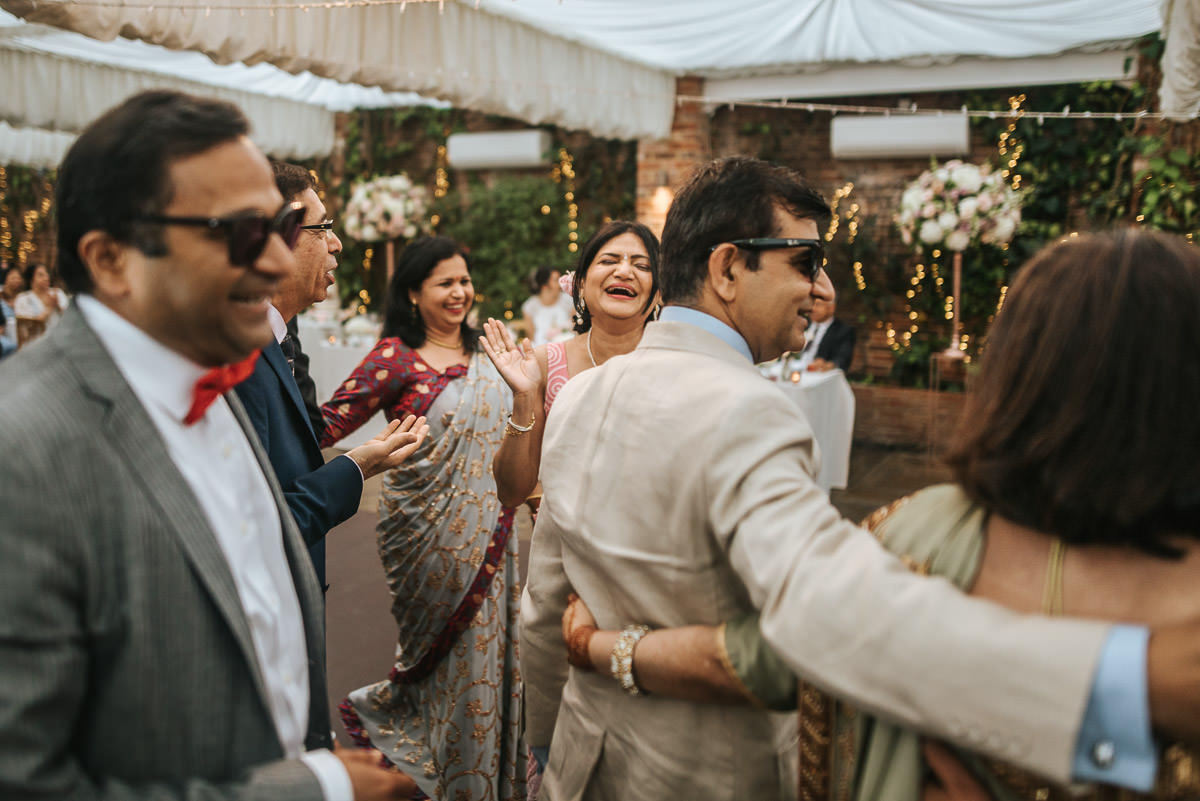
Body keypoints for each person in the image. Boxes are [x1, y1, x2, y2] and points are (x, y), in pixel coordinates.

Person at [520, 156, 1200, 801]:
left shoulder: (582, 393)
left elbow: (544, 605)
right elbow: (832, 607)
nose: (819, 288)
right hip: (707, 777)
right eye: (805, 261)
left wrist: (549, 741)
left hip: (583, 760)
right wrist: (1121, 681)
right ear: (727, 268)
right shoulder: (747, 409)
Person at [0, 89, 415, 800]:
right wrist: (312, 788)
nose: (276, 260)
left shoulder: (215, 371)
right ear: (112, 259)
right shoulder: (25, 448)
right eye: (240, 231)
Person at [322, 236, 525, 801]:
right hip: (423, 537)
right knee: (443, 656)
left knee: (488, 656)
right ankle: (441, 766)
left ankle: (476, 775)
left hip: (493, 532)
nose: (460, 292)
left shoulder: (490, 354)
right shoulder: (395, 357)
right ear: (413, 293)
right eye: (445, 283)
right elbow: (323, 427)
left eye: (465, 280)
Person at [234, 161, 429, 588]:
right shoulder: (237, 359)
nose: (336, 244)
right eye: (322, 229)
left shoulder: (280, 336)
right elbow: (258, 526)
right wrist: (356, 466)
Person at [481, 220, 660, 511]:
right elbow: (511, 494)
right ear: (581, 284)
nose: (624, 271)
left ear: (659, 292)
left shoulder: (675, 365)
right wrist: (523, 399)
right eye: (609, 261)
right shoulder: (545, 363)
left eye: (642, 266)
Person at [794, 288, 854, 371]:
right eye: (812, 304)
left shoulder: (843, 331)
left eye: (818, 305)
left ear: (831, 308)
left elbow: (843, 359)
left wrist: (829, 365)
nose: (813, 309)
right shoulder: (803, 324)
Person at [520, 264, 576, 346]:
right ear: (544, 285)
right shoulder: (529, 307)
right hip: (541, 347)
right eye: (556, 280)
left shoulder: (569, 301)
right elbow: (531, 337)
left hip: (567, 345)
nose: (561, 283)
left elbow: (575, 329)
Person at [13, 262, 69, 331]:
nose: (46, 278)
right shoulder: (23, 299)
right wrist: (48, 309)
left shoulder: (58, 293)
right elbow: (27, 328)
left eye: (46, 274)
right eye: (41, 275)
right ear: (31, 280)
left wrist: (57, 306)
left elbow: (70, 318)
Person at [0, 265, 21, 355]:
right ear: (5, 279)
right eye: (13, 277)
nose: (16, 280)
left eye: (18, 278)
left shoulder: (22, 298)